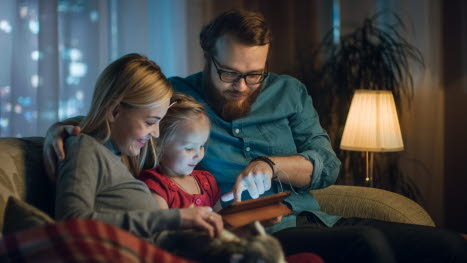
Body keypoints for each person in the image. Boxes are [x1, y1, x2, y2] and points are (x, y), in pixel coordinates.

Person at [45, 10, 467, 263]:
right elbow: (123, 110)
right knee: (367, 245)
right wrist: (59, 129)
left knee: (449, 247)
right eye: (230, 73)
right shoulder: (178, 94)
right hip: (260, 231)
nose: (243, 87)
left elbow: (328, 163)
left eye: (254, 75)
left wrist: (270, 165)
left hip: (317, 217)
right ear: (207, 58)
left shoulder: (290, 92)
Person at [54, 53, 223, 243]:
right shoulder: (85, 148)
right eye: (150, 122)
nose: (156, 134)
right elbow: (71, 222)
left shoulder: (126, 154)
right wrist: (177, 218)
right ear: (115, 111)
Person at [138, 92, 222, 211]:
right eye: (189, 148)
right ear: (159, 145)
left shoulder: (208, 182)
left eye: (202, 146)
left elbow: (221, 219)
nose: (198, 155)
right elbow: (161, 227)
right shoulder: (155, 186)